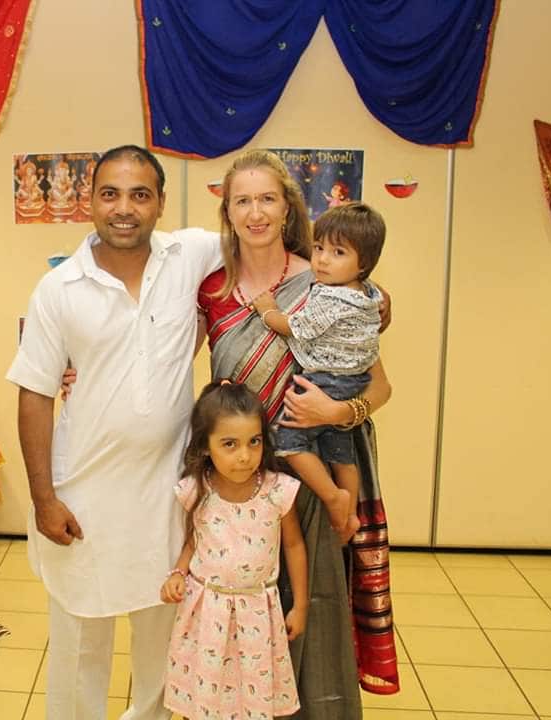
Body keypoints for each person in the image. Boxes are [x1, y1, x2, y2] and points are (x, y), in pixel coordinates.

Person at [7, 144, 224, 720]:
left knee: (163, 640)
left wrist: (364, 296)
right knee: (82, 643)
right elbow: (34, 393)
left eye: (139, 194)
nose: (124, 208)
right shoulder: (59, 289)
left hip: (166, 495)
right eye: (110, 193)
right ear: (90, 201)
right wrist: (43, 498)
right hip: (82, 496)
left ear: (159, 204)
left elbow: (271, 250)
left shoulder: (192, 254)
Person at [200, 149, 399, 710]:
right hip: (238, 485)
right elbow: (159, 361)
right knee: (236, 619)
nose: (256, 212)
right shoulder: (212, 289)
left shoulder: (329, 282)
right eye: (243, 200)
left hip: (310, 482)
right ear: (228, 210)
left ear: (288, 208)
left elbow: (379, 387)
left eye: (268, 198)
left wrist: (340, 414)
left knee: (312, 612)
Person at [161, 381, 307, 719]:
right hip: (206, 613)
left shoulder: (277, 491)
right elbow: (194, 539)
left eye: (254, 442)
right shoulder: (198, 489)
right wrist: (178, 573)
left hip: (258, 612)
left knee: (254, 697)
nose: (244, 455)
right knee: (204, 694)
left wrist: (299, 605)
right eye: (230, 444)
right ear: (205, 445)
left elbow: (295, 546)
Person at [253, 202, 386, 543]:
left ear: (363, 264)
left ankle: (332, 496)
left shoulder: (331, 298)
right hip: (352, 382)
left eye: (338, 252)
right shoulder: (370, 294)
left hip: (324, 380)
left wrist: (268, 311)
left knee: (287, 439)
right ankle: (351, 514)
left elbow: (296, 327)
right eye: (319, 248)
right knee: (340, 447)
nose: (323, 259)